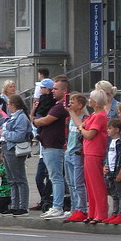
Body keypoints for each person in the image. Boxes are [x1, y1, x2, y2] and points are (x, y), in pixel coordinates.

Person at [32, 76, 69, 218]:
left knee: (56, 177)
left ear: (64, 90)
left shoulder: (61, 106)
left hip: (54, 146)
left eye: (56, 89)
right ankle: (57, 205)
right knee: (55, 177)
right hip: (47, 145)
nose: (53, 91)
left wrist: (37, 121)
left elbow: (46, 120)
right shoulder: (56, 104)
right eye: (52, 88)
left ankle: (58, 206)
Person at [76, 89, 110, 224]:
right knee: (90, 184)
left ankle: (100, 213)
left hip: (95, 151)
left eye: (90, 98)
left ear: (96, 102)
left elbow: (90, 134)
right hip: (89, 151)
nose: (88, 100)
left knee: (97, 184)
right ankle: (93, 212)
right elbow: (83, 124)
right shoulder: (93, 115)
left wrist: (82, 129)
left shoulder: (100, 116)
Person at [0, 94, 33, 216]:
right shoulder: (12, 117)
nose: (7, 106)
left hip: (14, 149)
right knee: (11, 179)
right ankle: (14, 205)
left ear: (13, 105)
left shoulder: (21, 118)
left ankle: (23, 206)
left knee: (19, 178)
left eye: (8, 104)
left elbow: (19, 136)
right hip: (7, 148)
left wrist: (5, 133)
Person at [63, 93, 89, 222]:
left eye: (73, 102)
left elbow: (81, 127)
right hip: (69, 152)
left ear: (80, 105)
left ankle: (82, 208)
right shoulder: (69, 119)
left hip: (77, 154)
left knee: (78, 183)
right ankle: (74, 207)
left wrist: (71, 112)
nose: (70, 104)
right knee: (71, 183)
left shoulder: (84, 118)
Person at [105, 118, 121, 224]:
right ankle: (114, 213)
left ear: (117, 130)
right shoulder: (110, 142)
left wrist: (120, 172)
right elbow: (108, 156)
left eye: (110, 128)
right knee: (113, 194)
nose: (108, 130)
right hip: (110, 171)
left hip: (118, 171)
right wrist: (105, 166)